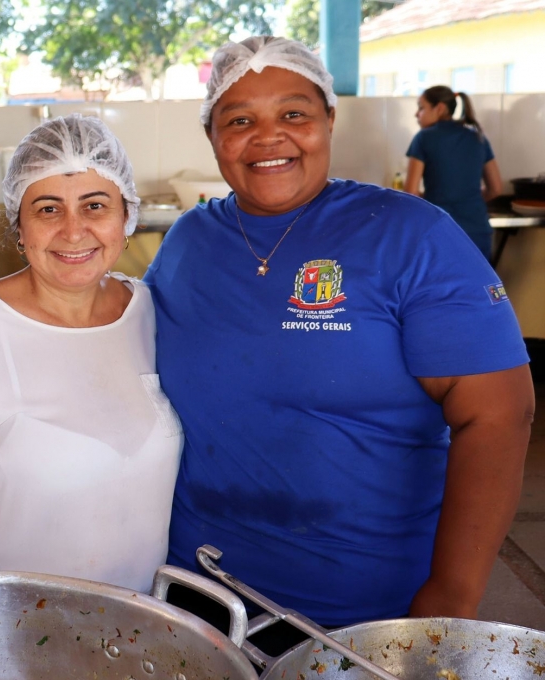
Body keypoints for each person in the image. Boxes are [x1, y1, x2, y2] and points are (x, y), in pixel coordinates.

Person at [145, 37, 533, 629]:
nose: (268, 136)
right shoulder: (188, 243)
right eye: (240, 119)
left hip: (364, 616)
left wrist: (454, 594)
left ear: (329, 119)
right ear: (212, 136)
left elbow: (500, 415)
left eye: (293, 114)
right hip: (198, 599)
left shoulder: (411, 236)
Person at [0, 113, 182, 593]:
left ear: (126, 216)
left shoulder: (151, 312)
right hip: (19, 633)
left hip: (140, 628)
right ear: (19, 225)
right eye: (48, 209)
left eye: (95, 206)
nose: (74, 232)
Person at [405, 86, 503, 259]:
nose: (416, 114)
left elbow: (410, 192)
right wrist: (465, 199)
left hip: (441, 232)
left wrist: (438, 198)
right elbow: (496, 189)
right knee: (480, 286)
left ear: (440, 108)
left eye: (421, 107)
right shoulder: (478, 137)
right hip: (478, 232)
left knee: (441, 286)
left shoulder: (424, 138)